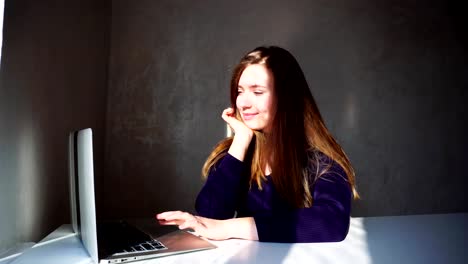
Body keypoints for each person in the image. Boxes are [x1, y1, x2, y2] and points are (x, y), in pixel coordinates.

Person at [156, 46, 359, 243]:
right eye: (240, 91)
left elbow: (332, 223)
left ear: (287, 98)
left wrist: (230, 228)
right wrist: (241, 140)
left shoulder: (320, 160)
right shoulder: (236, 153)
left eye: (258, 92)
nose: (243, 103)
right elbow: (210, 215)